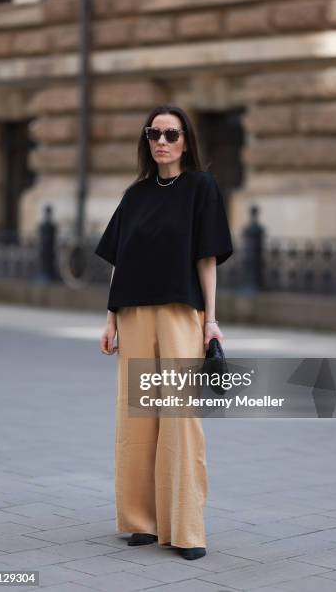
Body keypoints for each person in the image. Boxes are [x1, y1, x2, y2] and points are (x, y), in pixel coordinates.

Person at [94, 105, 233, 560]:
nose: (161, 141)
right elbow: (120, 262)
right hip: (133, 314)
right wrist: (110, 318)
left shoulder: (200, 188)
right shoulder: (135, 195)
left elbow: (206, 258)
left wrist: (210, 319)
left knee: (179, 419)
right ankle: (140, 520)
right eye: (153, 133)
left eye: (171, 134)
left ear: (186, 142)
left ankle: (186, 527)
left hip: (178, 313)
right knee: (135, 419)